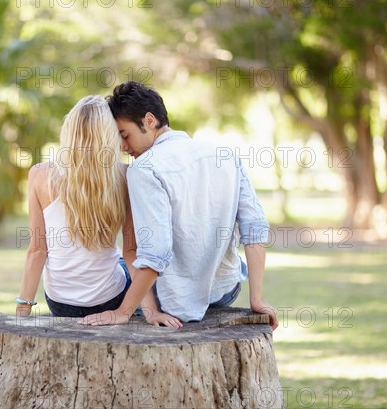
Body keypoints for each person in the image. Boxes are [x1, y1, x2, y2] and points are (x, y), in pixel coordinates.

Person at [79, 82, 278, 330]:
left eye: (124, 134)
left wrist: (123, 312)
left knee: (112, 265)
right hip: (226, 291)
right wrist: (257, 298)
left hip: (172, 302)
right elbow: (255, 227)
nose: (122, 146)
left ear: (149, 120)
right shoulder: (225, 155)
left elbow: (156, 252)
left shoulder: (144, 169)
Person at [15, 95, 181, 327]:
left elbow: (37, 251)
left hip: (60, 302)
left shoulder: (40, 174)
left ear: (69, 132)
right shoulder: (125, 175)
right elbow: (131, 251)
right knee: (138, 265)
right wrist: (151, 312)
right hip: (109, 299)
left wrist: (23, 307)